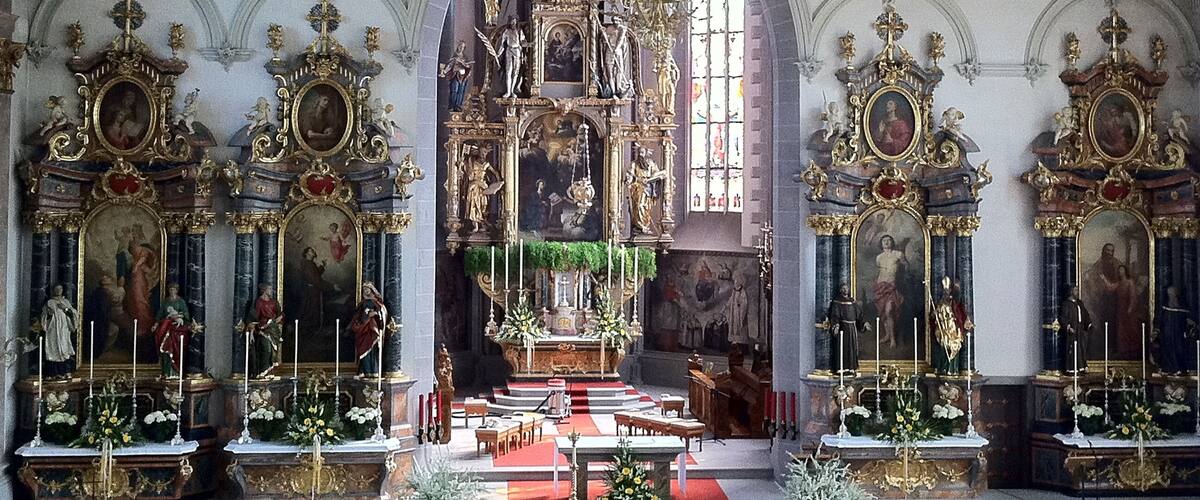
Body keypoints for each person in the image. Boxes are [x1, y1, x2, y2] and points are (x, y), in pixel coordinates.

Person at [929, 278, 971, 375]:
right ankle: (943, 367)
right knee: (944, 346)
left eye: (947, 291)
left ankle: (953, 369)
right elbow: (933, 316)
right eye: (945, 291)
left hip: (952, 328)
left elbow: (960, 312)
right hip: (944, 328)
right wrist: (934, 314)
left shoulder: (954, 303)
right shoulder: (940, 303)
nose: (946, 293)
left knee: (954, 345)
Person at [874, 235, 907, 349]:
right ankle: (887, 335)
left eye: (889, 240)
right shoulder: (879, 257)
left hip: (892, 286)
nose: (886, 242)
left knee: (889, 311)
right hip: (880, 286)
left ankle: (893, 339)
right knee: (882, 311)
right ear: (881, 243)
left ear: (892, 242)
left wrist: (900, 278)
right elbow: (880, 270)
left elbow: (906, 266)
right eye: (884, 240)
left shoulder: (898, 254)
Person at [243, 284, 283, 378]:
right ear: (264, 290)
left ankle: (270, 371)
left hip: (273, 330)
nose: (271, 291)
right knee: (266, 349)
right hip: (263, 330)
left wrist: (278, 319)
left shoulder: (274, 302)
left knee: (273, 351)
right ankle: (263, 371)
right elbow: (254, 318)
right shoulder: (259, 302)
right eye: (269, 289)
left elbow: (280, 314)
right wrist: (253, 329)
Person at [827, 283, 867, 374]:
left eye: (846, 288)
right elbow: (835, 315)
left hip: (852, 328)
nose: (845, 290)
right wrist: (836, 325)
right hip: (843, 328)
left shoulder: (852, 301)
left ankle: (851, 367)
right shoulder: (837, 301)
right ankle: (842, 367)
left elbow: (859, 316)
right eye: (843, 288)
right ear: (841, 290)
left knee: (852, 348)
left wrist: (863, 324)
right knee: (842, 347)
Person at [39, 284, 77, 378]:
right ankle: (52, 373)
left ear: (62, 290)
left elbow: (73, 314)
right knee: (53, 349)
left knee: (64, 348)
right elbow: (44, 316)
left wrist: (65, 309)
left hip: (64, 329)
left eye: (60, 289)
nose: (58, 290)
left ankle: (65, 371)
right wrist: (49, 314)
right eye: (56, 289)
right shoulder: (49, 302)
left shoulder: (66, 302)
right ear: (53, 290)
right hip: (53, 329)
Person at [1156, 286, 1197, 375]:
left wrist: (1190, 324)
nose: (1171, 296)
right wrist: (1157, 330)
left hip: (1179, 334)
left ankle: (1179, 368)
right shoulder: (1165, 308)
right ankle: (1169, 368)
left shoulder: (1182, 308)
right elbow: (1160, 321)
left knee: (1179, 349)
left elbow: (1188, 321)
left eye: (1172, 295)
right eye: (1169, 295)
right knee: (1167, 349)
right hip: (1167, 334)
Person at [351, 283, 389, 376]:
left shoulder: (376, 302)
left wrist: (376, 313)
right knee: (363, 349)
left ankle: (373, 370)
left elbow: (383, 312)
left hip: (372, 328)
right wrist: (357, 323)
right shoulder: (362, 303)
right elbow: (357, 315)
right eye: (364, 290)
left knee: (372, 349)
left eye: (367, 289)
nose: (366, 291)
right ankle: (364, 370)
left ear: (372, 290)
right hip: (363, 328)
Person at [154, 283, 191, 378]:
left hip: (177, 330)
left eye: (173, 289)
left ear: (177, 290)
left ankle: (176, 371)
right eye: (170, 289)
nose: (172, 291)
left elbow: (186, 314)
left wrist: (178, 316)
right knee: (166, 349)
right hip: (167, 328)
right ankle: (166, 372)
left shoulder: (181, 301)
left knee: (176, 350)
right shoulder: (166, 302)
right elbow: (160, 314)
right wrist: (156, 324)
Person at [1059, 285, 1092, 372]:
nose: (1077, 292)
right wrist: (1068, 327)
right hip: (1073, 329)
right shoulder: (1066, 304)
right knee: (1073, 348)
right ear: (1071, 291)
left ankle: (1082, 366)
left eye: (1078, 290)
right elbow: (1063, 318)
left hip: (1080, 328)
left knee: (1082, 347)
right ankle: (1072, 368)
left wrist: (1088, 324)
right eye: (1076, 290)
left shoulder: (1080, 303)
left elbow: (1085, 314)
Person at [438, 41, 474, 112]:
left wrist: (465, 64)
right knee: (455, 90)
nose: (461, 48)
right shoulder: (454, 57)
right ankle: (452, 105)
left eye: (463, 47)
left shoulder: (464, 57)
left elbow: (468, 66)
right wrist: (444, 72)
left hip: (463, 76)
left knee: (461, 91)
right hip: (455, 75)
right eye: (460, 46)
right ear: (458, 46)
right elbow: (450, 65)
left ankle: (458, 105)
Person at [498, 16, 526, 99]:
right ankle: (508, 91)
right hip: (509, 51)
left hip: (517, 51)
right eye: (512, 22)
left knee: (515, 72)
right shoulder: (506, 31)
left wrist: (528, 44)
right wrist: (498, 53)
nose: (513, 23)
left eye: (514, 22)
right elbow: (503, 44)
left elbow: (523, 42)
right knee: (508, 72)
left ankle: (513, 91)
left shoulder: (519, 31)